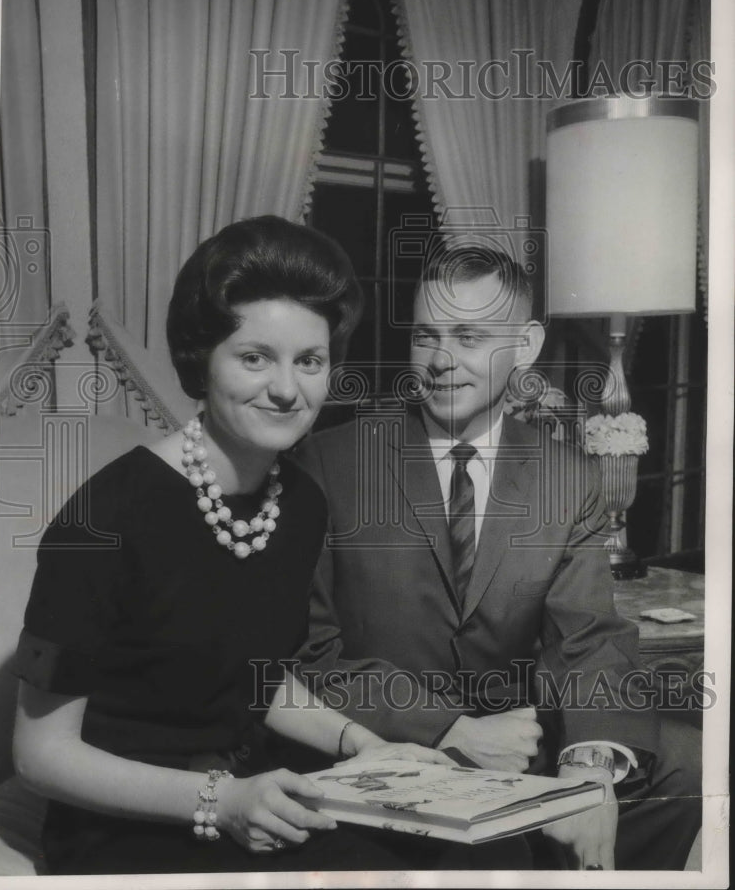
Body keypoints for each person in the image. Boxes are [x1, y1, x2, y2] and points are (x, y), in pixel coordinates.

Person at [11, 218, 530, 875]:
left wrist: (365, 746)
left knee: (496, 849)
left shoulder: (300, 503)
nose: (287, 389)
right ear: (203, 360)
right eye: (255, 358)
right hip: (127, 827)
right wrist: (220, 801)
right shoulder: (102, 520)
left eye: (309, 361)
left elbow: (256, 678)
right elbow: (40, 754)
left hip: (256, 791)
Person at [294, 242, 702, 871]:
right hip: (384, 743)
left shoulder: (566, 477)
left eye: (469, 337)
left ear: (526, 345)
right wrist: (449, 731)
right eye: (427, 336)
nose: (441, 361)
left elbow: (590, 638)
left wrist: (589, 767)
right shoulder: (328, 463)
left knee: (693, 764)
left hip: (520, 741)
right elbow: (310, 655)